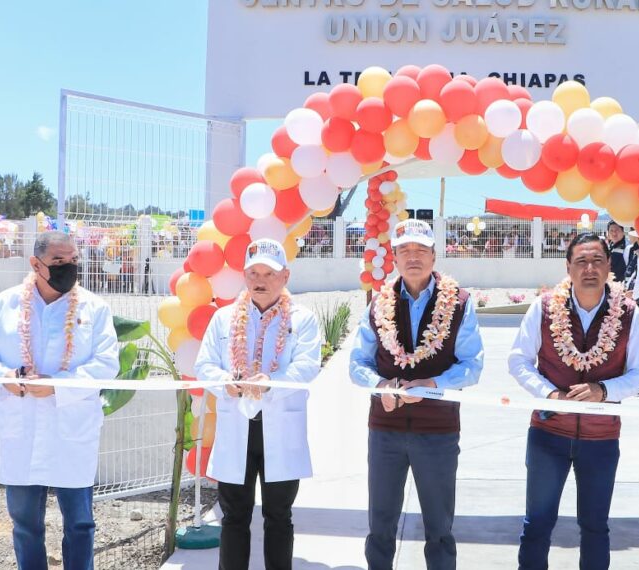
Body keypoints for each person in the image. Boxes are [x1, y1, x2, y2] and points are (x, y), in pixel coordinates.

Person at [0, 230, 120, 570]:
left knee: (80, 524)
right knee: (25, 525)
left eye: (73, 260)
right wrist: (4, 377)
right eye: (58, 261)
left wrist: (58, 386)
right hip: (21, 427)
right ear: (36, 264)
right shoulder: (4, 304)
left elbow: (107, 364)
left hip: (71, 429)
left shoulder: (95, 308)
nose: (69, 267)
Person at [508, 232, 639, 570]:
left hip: (601, 439)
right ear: (568, 268)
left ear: (608, 267)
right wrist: (551, 395)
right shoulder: (544, 307)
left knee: (594, 527)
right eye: (581, 262)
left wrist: (603, 391)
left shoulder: (628, 313)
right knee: (537, 524)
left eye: (597, 261)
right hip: (548, 434)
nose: (590, 268)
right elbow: (518, 360)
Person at [350, 219, 485, 570]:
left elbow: (472, 366)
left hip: (437, 433)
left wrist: (431, 387)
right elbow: (358, 363)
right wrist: (381, 387)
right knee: (380, 527)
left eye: (421, 250)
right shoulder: (378, 303)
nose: (413, 257)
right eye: (405, 250)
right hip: (385, 431)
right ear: (394, 257)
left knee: (439, 530)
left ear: (434, 256)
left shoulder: (459, 303)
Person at [195, 238, 323, 570]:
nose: (260, 280)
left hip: (280, 425)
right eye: (253, 273)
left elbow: (307, 366)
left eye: (269, 272)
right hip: (236, 424)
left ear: (285, 276)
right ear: (244, 276)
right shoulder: (223, 318)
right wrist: (227, 383)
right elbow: (204, 366)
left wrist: (270, 384)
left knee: (278, 515)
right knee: (234, 515)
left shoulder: (303, 318)